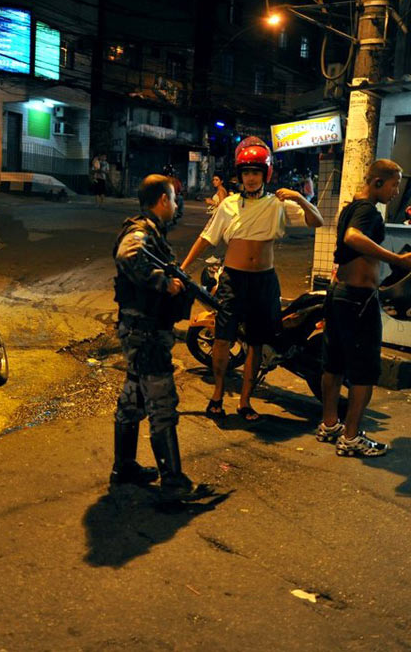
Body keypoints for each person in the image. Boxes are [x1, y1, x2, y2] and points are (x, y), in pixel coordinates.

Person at [180, 139, 323, 422]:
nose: (250, 177)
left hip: (264, 282)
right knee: (223, 340)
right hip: (234, 280)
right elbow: (207, 238)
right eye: (246, 172)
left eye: (256, 172)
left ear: (266, 174)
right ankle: (217, 395)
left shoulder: (278, 205)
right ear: (240, 175)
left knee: (256, 343)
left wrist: (299, 198)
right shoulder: (229, 205)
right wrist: (183, 268)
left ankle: (245, 402)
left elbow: (317, 221)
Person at [316, 160, 411, 456]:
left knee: (334, 364)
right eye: (394, 184)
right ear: (377, 182)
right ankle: (350, 439)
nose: (395, 191)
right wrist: (395, 260)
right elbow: (352, 238)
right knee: (364, 371)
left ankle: (330, 424)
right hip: (357, 300)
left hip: (339, 294)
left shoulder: (351, 207)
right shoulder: (367, 211)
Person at [113, 173, 206, 500]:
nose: (177, 206)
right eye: (175, 200)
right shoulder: (139, 232)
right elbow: (127, 256)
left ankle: (123, 466)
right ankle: (173, 483)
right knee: (161, 403)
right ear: (163, 200)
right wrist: (163, 283)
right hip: (147, 333)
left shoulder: (151, 231)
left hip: (141, 331)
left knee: (133, 399)